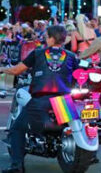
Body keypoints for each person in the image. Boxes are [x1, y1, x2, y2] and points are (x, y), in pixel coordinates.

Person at [1, 26, 79, 173]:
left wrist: (3, 69)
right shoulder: (71, 56)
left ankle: (16, 167)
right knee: (71, 128)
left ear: (50, 38)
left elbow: (16, 70)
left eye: (46, 36)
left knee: (17, 129)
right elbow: (77, 74)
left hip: (42, 100)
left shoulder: (37, 53)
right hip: (64, 101)